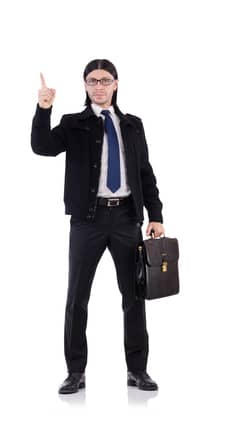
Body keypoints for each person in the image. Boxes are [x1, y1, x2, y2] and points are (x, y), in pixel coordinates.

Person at [32, 59, 167, 394]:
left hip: (126, 219)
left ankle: (137, 370)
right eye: (92, 81)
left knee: (134, 297)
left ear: (116, 84)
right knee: (77, 297)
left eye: (105, 80)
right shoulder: (74, 123)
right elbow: (42, 146)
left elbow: (145, 172)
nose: (99, 86)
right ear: (85, 86)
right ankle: (75, 372)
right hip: (87, 221)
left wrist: (156, 214)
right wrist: (43, 109)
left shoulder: (133, 125)